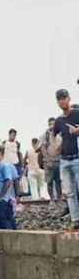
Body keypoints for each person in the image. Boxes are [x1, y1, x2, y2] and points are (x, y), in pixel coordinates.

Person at [52, 89, 79, 233]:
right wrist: (55, 145)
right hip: (64, 160)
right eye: (59, 99)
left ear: (69, 99)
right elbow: (53, 133)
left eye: (63, 98)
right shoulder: (59, 120)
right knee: (70, 192)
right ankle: (75, 222)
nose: (61, 101)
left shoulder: (76, 113)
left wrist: (77, 131)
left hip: (77, 157)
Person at [40, 117, 62, 204]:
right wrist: (47, 159)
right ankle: (52, 199)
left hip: (59, 160)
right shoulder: (45, 135)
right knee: (49, 181)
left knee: (58, 181)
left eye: (54, 123)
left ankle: (59, 199)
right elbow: (43, 148)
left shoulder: (60, 134)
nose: (52, 126)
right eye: (50, 124)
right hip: (49, 161)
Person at [1, 129, 24, 201]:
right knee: (7, 181)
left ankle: (18, 196)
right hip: (6, 164)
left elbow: (20, 155)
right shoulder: (4, 143)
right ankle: (6, 197)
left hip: (15, 164)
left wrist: (22, 166)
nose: (14, 137)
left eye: (15, 135)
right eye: (13, 135)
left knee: (16, 181)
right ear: (9, 134)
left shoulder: (17, 144)